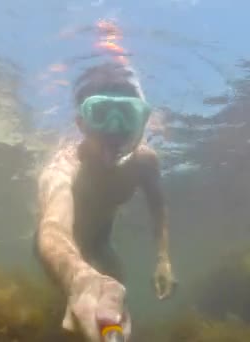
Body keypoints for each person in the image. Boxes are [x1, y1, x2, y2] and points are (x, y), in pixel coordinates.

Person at [35, 61, 176, 342]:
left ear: (142, 121)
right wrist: (78, 277)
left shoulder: (146, 162)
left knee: (114, 297)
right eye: (101, 114)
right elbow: (51, 228)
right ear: (81, 123)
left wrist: (164, 259)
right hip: (63, 254)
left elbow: (158, 207)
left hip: (102, 240)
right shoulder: (63, 167)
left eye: (127, 115)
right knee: (66, 321)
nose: (115, 129)